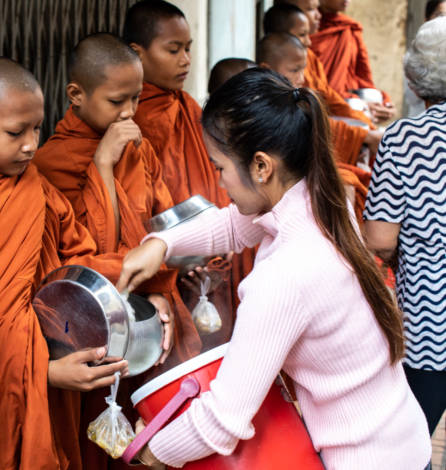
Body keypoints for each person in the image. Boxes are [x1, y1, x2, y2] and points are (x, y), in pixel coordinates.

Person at [117, 68, 431, 469]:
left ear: (262, 166)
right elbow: (233, 225)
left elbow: (222, 420)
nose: (221, 182)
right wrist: (162, 243)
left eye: (220, 168)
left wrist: (151, 450)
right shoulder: (322, 204)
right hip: (404, 440)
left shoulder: (283, 278)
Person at [0, 57, 139, 470]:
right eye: (15, 132)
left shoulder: (35, 185)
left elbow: (77, 259)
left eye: (37, 128)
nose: (30, 144)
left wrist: (142, 266)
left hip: (52, 371)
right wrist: (47, 373)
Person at [32, 32, 201, 469]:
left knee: (151, 432)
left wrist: (163, 286)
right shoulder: (51, 163)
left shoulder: (135, 143)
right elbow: (84, 257)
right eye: (116, 101)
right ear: (76, 95)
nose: (128, 113)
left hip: (146, 315)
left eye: (137, 98)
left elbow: (156, 222)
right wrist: (102, 166)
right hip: (93, 327)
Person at [122, 0, 255, 316]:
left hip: (213, 251)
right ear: (138, 53)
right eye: (173, 50)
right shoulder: (132, 119)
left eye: (188, 49)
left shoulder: (190, 108)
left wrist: (215, 261)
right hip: (166, 259)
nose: (186, 61)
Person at [364, 17, 446, 437]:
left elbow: (379, 241)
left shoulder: (404, 139)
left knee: (413, 442)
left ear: (415, 79)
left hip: (431, 326)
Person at [256, 32, 375, 219]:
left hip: (303, 176)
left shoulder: (295, 99)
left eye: (303, 69)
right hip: (280, 184)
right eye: (294, 70)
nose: (302, 78)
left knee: (352, 182)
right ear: (267, 69)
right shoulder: (262, 106)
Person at [310, 0, 395, 123]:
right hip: (319, 107)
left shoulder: (351, 28)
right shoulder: (308, 29)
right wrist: (360, 105)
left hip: (349, 106)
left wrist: (383, 102)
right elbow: (309, 81)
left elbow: (362, 78)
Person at [405, 0, 446, 117]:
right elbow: (411, 97)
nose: (443, 21)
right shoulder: (414, 54)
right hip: (420, 118)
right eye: (439, 15)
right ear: (426, 18)